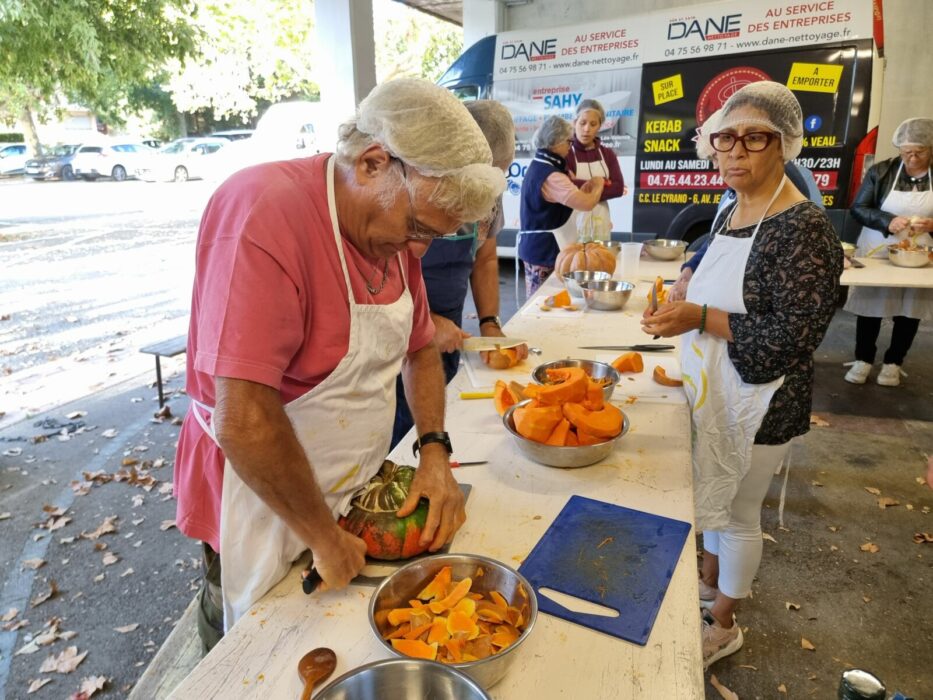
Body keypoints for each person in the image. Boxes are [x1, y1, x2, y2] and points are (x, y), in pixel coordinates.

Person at [173, 78, 505, 651]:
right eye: (421, 228)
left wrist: (433, 449)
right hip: (262, 497)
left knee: (338, 646)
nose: (420, 251)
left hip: (350, 493)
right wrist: (322, 537)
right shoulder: (263, 212)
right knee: (250, 658)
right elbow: (244, 418)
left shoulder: (394, 238)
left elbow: (420, 347)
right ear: (375, 162)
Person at [641, 81, 843, 669]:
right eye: (724, 138)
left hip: (764, 398)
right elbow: (713, 251)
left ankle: (723, 622)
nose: (734, 151)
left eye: (753, 138)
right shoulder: (736, 205)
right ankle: (706, 583)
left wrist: (699, 314)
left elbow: (792, 339)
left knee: (737, 514)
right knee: (714, 497)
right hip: (717, 389)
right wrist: (687, 276)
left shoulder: (804, 229)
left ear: (784, 146)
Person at [392, 100, 527, 447]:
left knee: (444, 419)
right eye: (484, 176)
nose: (491, 190)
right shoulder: (418, 188)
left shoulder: (492, 194)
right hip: (396, 325)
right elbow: (378, 273)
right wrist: (425, 322)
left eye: (501, 174)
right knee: (401, 434)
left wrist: (489, 322)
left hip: (449, 322)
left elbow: (484, 258)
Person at [668, 108, 825, 302]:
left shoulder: (799, 216)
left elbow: (787, 322)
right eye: (715, 157)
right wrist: (690, 269)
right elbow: (716, 241)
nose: (718, 165)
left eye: (715, 157)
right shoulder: (731, 198)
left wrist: (701, 317)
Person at [842, 118, 933, 386]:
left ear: (930, 148)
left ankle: (894, 361)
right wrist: (887, 221)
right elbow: (859, 208)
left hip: (919, 253)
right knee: (871, 304)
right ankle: (863, 359)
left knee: (910, 307)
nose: (912, 158)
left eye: (919, 152)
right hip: (879, 247)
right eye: (906, 153)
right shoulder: (882, 172)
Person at [517, 115, 605, 297]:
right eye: (568, 142)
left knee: (547, 304)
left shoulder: (543, 165)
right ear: (555, 142)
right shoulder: (551, 175)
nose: (570, 147)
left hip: (542, 249)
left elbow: (572, 196)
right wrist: (598, 187)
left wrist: (584, 189)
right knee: (542, 304)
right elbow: (586, 204)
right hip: (544, 251)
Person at [565, 99, 627, 242]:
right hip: (574, 223)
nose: (587, 129)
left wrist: (579, 184)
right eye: (582, 123)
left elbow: (618, 188)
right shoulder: (566, 153)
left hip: (602, 223)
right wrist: (604, 183)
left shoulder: (607, 154)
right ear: (575, 123)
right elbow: (567, 187)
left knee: (599, 262)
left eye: (593, 124)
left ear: (600, 126)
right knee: (575, 262)